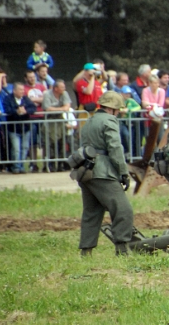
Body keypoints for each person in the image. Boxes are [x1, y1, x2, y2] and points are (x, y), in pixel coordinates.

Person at [77, 91, 134, 256]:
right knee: (123, 209)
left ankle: (86, 251)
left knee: (92, 212)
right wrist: (123, 172)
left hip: (85, 171)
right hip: (103, 171)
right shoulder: (109, 120)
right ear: (113, 109)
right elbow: (115, 148)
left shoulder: (90, 120)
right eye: (118, 110)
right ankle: (122, 248)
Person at [4, 83, 37, 173]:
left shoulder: (26, 99)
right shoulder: (8, 99)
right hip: (13, 129)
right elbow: (7, 110)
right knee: (16, 148)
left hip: (25, 128)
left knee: (25, 147)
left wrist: (25, 111)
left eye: (23, 89)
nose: (22, 91)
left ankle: (21, 166)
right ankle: (16, 167)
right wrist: (16, 111)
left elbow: (33, 108)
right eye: (20, 90)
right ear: (14, 91)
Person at [42, 79, 72, 171]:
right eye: (62, 87)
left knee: (62, 142)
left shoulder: (65, 94)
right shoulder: (47, 94)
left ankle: (60, 164)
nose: (64, 88)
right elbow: (47, 108)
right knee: (49, 142)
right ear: (56, 88)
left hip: (60, 120)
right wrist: (61, 108)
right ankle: (49, 165)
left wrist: (57, 109)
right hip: (49, 120)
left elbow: (67, 107)